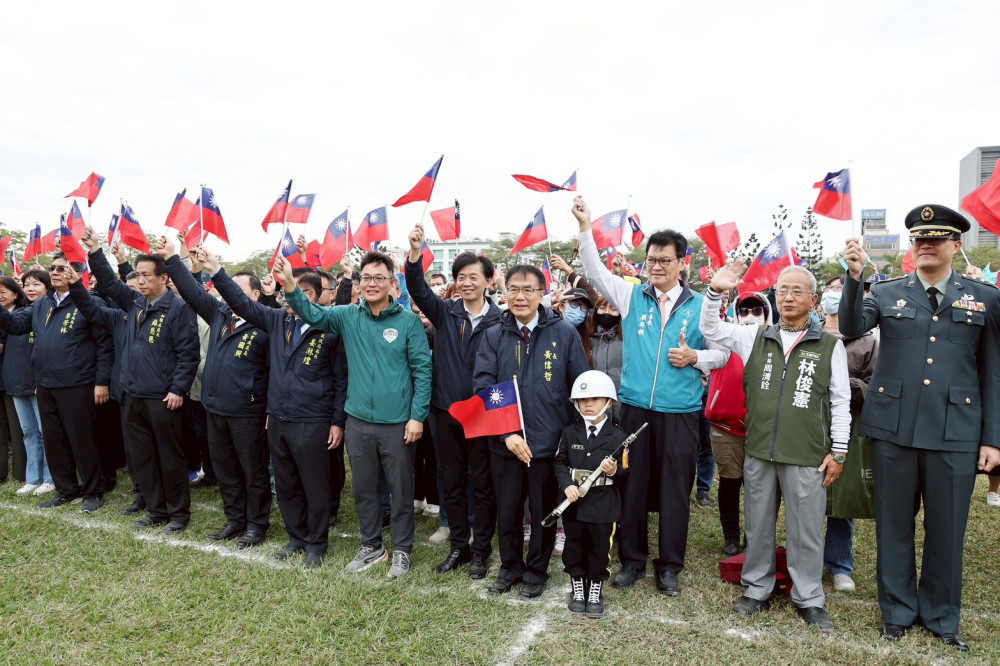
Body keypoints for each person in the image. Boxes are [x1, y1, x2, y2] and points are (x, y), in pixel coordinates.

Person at [840, 204, 1000, 652]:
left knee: (948, 529)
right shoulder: (887, 292)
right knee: (894, 524)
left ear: (956, 245)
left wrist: (993, 438)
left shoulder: (984, 298)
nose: (925, 245)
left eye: (936, 239)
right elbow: (852, 326)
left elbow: (993, 372)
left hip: (956, 431)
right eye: (918, 239)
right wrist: (855, 278)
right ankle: (897, 611)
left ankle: (942, 616)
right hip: (894, 429)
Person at [573, 196, 727, 595]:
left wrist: (697, 357)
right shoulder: (631, 296)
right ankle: (632, 561)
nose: (656, 267)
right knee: (632, 485)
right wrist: (585, 228)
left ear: (682, 263)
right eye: (651, 260)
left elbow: (723, 352)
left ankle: (670, 566)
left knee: (676, 489)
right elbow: (594, 271)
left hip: (681, 412)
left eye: (664, 260)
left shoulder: (700, 306)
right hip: (636, 409)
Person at [703, 262, 850, 633]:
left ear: (813, 299)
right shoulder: (756, 335)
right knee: (758, 524)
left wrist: (840, 450)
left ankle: (809, 597)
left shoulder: (830, 344)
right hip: (759, 450)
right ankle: (756, 588)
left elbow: (840, 401)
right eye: (782, 289)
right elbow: (711, 328)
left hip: (807, 454)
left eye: (797, 290)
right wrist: (714, 292)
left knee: (806, 530)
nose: (788, 296)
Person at [277, 251, 432, 579]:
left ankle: (402, 551)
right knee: (363, 489)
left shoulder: (408, 323)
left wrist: (417, 416)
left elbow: (422, 371)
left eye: (379, 278)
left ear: (393, 283)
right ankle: (371, 546)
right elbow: (312, 312)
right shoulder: (347, 315)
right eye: (366, 278)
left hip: (398, 425)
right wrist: (290, 284)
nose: (372, 283)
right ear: (359, 283)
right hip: (358, 421)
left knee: (400, 491)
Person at [200, 249, 347, 567]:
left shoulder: (331, 330)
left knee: (314, 484)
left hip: (313, 419)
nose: (287, 298)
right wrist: (216, 270)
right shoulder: (277, 321)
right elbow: (240, 303)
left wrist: (337, 422)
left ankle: (316, 544)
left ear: (312, 296)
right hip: (278, 418)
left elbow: (340, 379)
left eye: (297, 291)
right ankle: (296, 538)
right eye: (284, 291)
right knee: (287, 482)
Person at [473, 265, 590, 599]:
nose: (519, 296)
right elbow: (484, 386)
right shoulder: (494, 334)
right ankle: (510, 567)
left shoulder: (564, 333)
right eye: (513, 289)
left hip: (549, 445)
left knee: (543, 513)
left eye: (527, 289)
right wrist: (507, 433)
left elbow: (578, 388)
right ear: (504, 292)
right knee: (507, 510)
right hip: (506, 445)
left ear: (542, 293)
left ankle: (536, 571)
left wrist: (569, 441)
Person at [82, 228, 200, 532]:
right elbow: (108, 282)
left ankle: (178, 514)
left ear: (164, 278)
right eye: (140, 275)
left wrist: (178, 389)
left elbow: (188, 354)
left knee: (169, 457)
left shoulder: (177, 308)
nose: (142, 280)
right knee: (142, 456)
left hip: (163, 398)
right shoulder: (135, 303)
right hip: (132, 395)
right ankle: (155, 509)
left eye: (148, 275)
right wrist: (96, 250)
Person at [160, 238, 274, 550]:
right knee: (225, 469)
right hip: (215, 408)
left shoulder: (266, 323)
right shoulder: (221, 315)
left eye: (237, 289)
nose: (229, 294)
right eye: (227, 289)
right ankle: (235, 520)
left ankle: (257, 524)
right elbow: (193, 291)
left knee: (252, 471)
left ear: (254, 294)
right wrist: (172, 258)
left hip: (248, 412)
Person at [404, 223, 501, 579]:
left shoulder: (500, 319)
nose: (467, 282)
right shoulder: (445, 312)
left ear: (489, 281)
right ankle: (459, 546)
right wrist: (415, 254)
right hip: (445, 411)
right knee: (452, 481)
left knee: (483, 482)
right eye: (461, 276)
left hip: (482, 414)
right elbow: (415, 286)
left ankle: (482, 550)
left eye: (474, 276)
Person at [0, 253, 113, 513]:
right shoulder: (42, 304)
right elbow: (16, 326)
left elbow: (104, 345)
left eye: (62, 268)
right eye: (52, 268)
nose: (55, 272)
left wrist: (101, 381)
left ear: (76, 273)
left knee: (82, 439)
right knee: (54, 439)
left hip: (78, 382)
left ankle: (93, 491)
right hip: (45, 383)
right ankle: (66, 490)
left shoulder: (88, 303)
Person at [819, 275, 878, 593]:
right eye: (831, 289)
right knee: (809, 498)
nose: (835, 296)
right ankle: (809, 561)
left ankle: (840, 565)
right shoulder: (809, 333)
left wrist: (842, 383)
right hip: (809, 427)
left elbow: (874, 388)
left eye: (842, 290)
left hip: (849, 429)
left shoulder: (868, 341)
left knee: (842, 496)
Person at [554, 370, 628, 619]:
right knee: (573, 546)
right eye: (583, 400)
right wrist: (566, 485)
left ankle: (595, 589)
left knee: (599, 548)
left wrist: (615, 470)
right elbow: (560, 463)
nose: (588, 404)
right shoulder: (569, 432)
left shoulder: (619, 437)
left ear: (608, 402)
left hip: (603, 505)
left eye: (595, 399)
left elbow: (629, 474)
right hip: (574, 502)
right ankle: (577, 587)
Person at [704, 291, 772, 556]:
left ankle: (753, 538)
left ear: (768, 314)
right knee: (730, 482)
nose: (750, 316)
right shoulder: (724, 340)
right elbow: (706, 352)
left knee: (759, 489)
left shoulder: (777, 343)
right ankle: (731, 536)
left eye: (757, 311)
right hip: (726, 427)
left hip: (763, 430)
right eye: (744, 311)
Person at [0, 275, 52, 496]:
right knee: (29, 432)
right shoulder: (23, 314)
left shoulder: (50, 311)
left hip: (39, 382)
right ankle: (33, 478)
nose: (30, 288)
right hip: (17, 381)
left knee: (45, 431)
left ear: (47, 287)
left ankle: (50, 478)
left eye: (36, 284)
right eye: (27, 284)